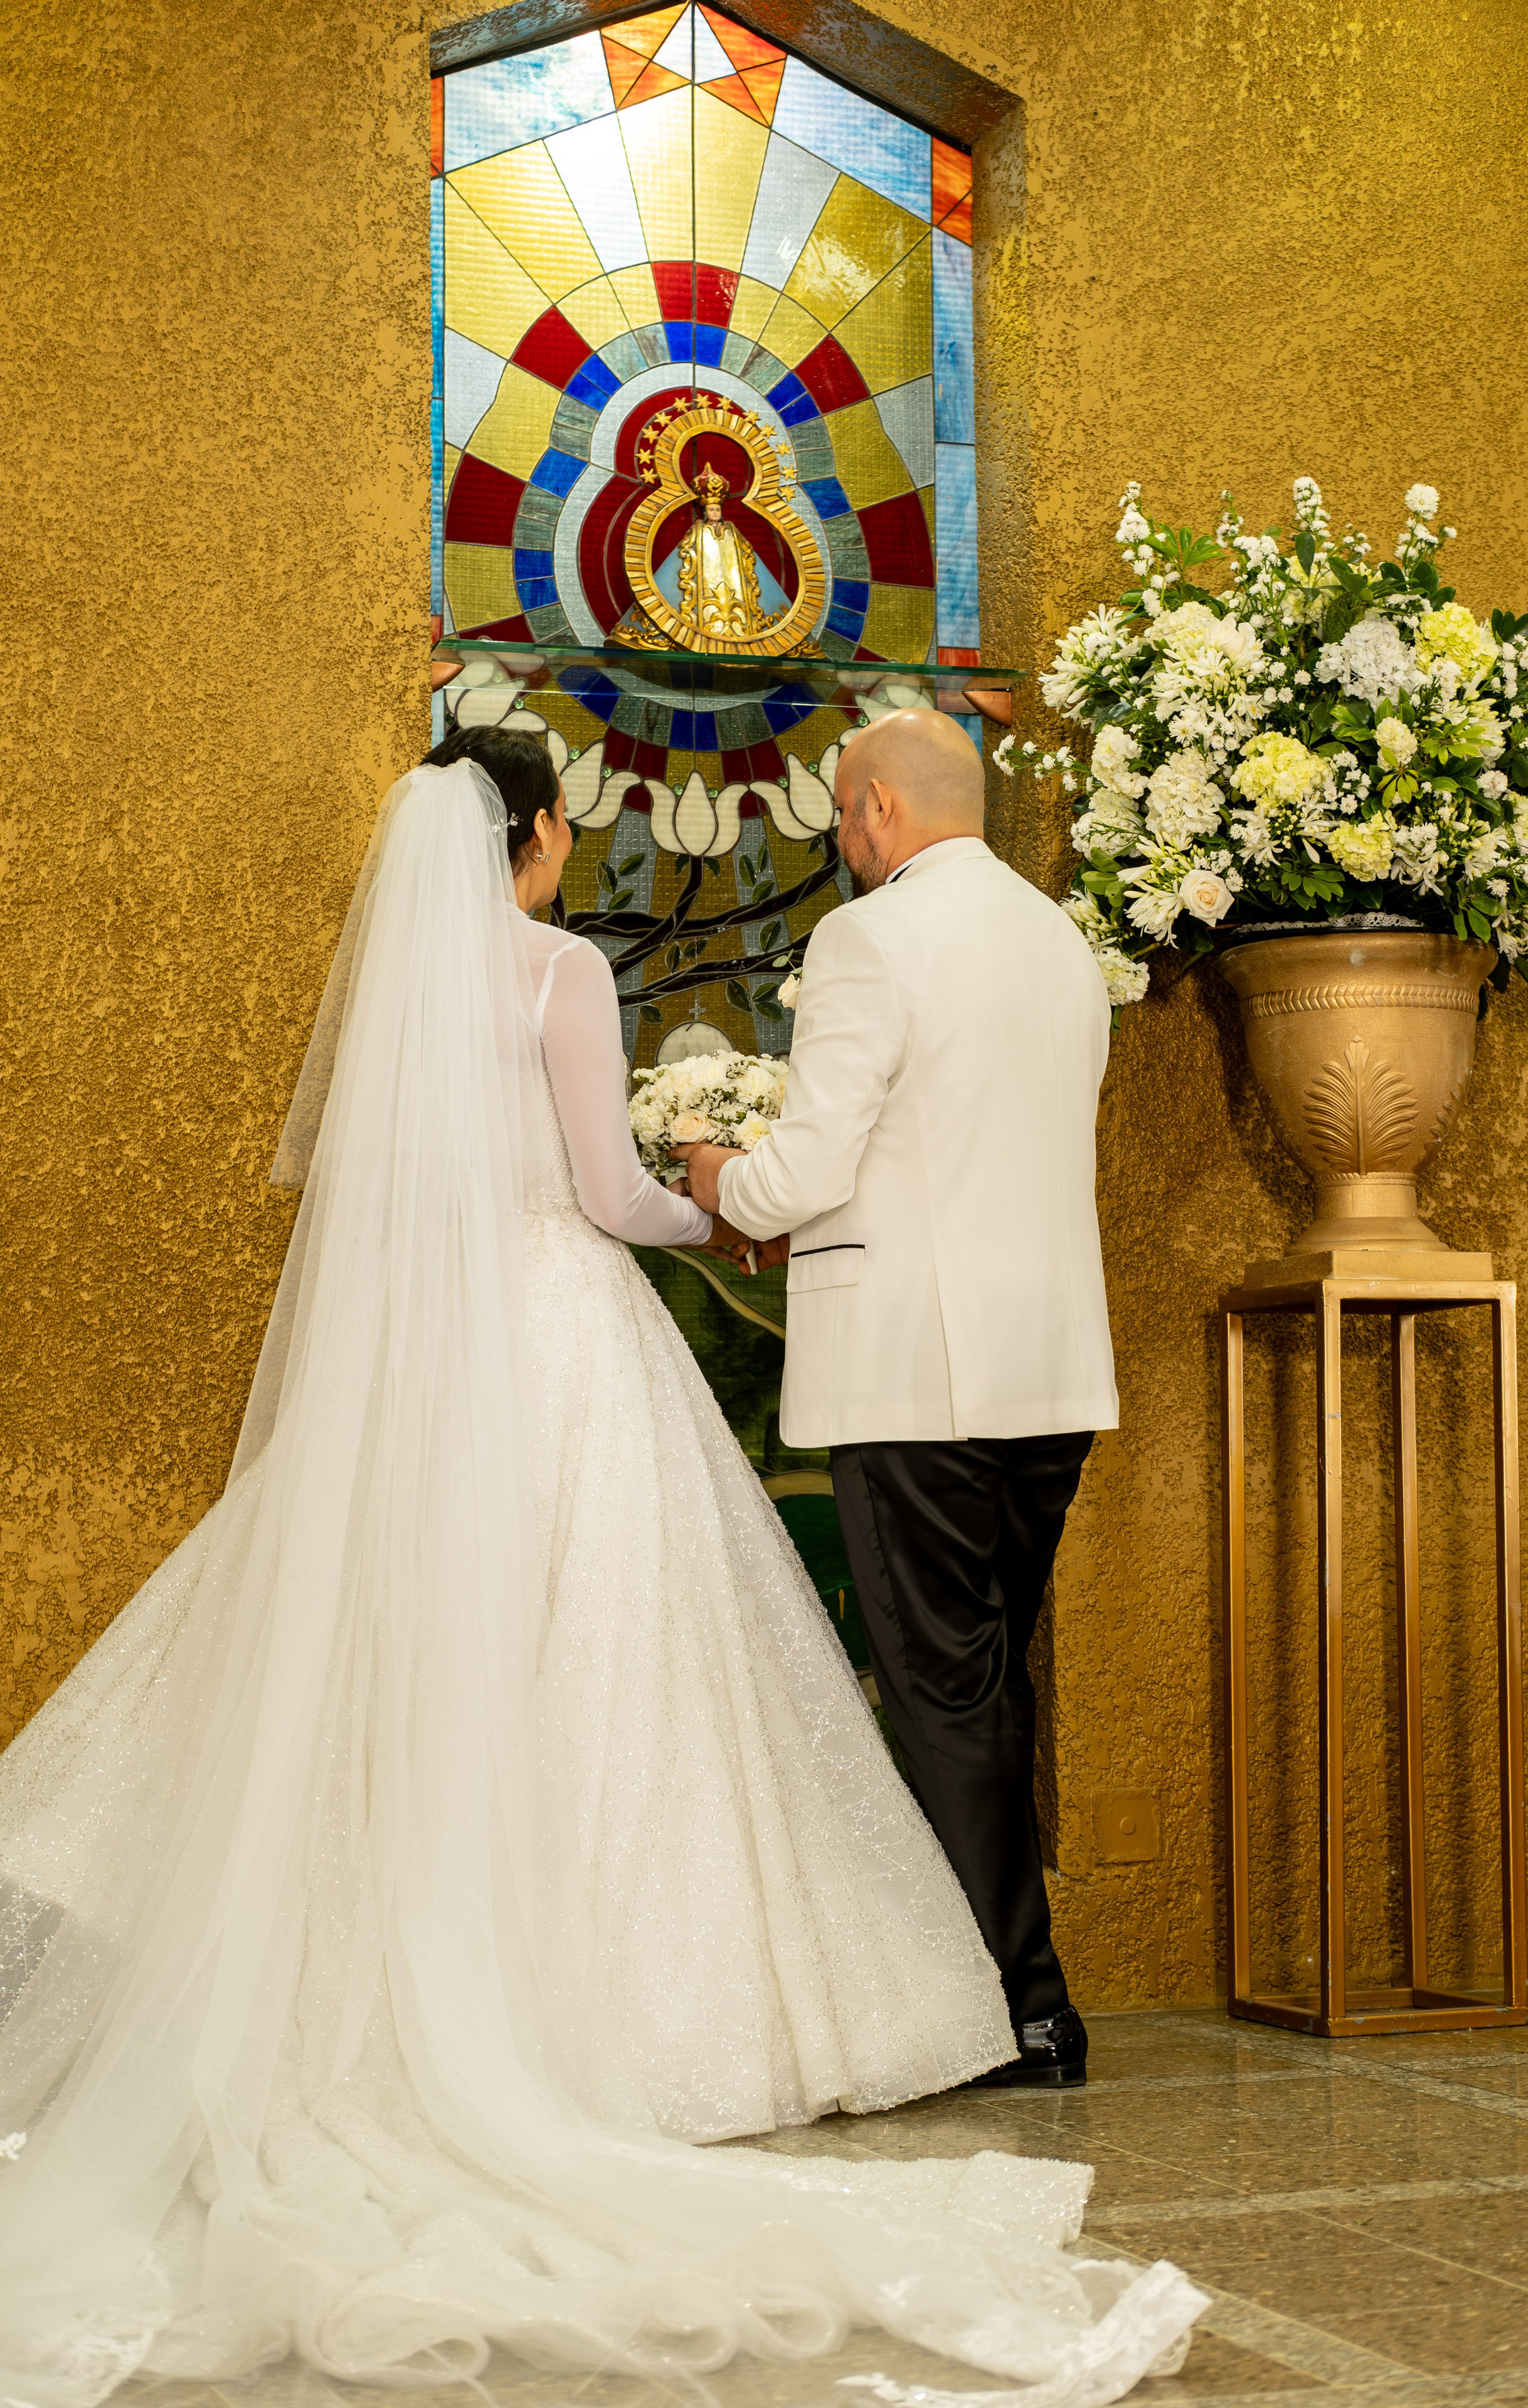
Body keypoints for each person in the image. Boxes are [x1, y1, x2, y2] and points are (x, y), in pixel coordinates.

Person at [0, 729, 1204, 2404]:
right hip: (843, 1354)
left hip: (428, 1368)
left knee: (417, 1653)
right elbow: (600, 1193)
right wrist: (697, 1200)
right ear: (540, 834)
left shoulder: (417, 999)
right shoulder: (632, 965)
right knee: (639, 1661)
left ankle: (393, 1978)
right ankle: (944, 1995)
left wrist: (726, 1180)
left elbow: (466, 1187)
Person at [679, 709, 1117, 2091]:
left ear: (870, 807)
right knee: (985, 1679)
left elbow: (806, 1166)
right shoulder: (1059, 945)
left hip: (916, 1370)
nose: (840, 840)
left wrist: (713, 1178)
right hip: (1046, 1367)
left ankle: (1012, 2010)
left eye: (839, 816)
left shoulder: (870, 937)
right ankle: (1000, 1994)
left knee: (941, 1690)